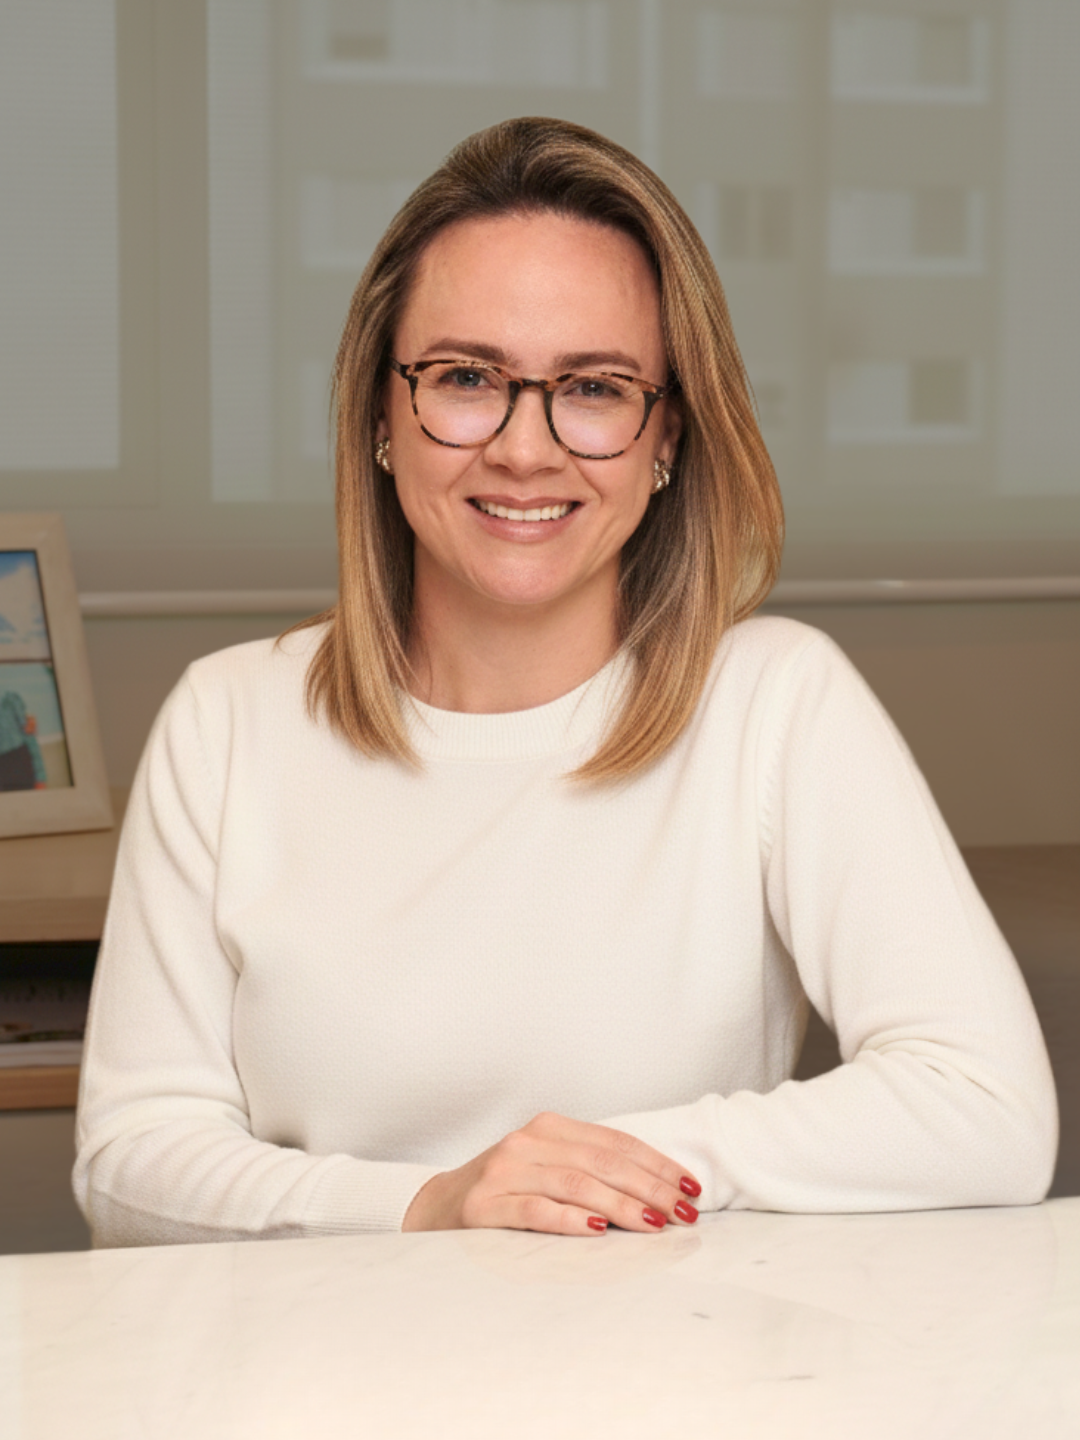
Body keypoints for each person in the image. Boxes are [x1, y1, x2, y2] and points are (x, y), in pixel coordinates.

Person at [74, 117, 1057, 1247]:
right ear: (381, 417)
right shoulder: (227, 719)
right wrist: (430, 1203)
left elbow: (985, 1110)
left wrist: (588, 1174)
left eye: (593, 387)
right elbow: (130, 1162)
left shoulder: (777, 701)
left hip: (676, 1386)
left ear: (665, 439)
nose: (526, 450)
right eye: (464, 377)